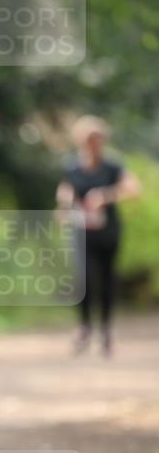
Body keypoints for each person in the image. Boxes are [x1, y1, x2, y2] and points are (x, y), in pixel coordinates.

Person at [55, 116, 140, 356]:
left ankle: (105, 330)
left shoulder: (113, 166)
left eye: (96, 140)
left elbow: (132, 188)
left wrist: (106, 195)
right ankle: (84, 327)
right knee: (83, 278)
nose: (92, 144)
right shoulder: (71, 166)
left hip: (108, 231)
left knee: (106, 279)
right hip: (81, 231)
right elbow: (66, 188)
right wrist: (64, 205)